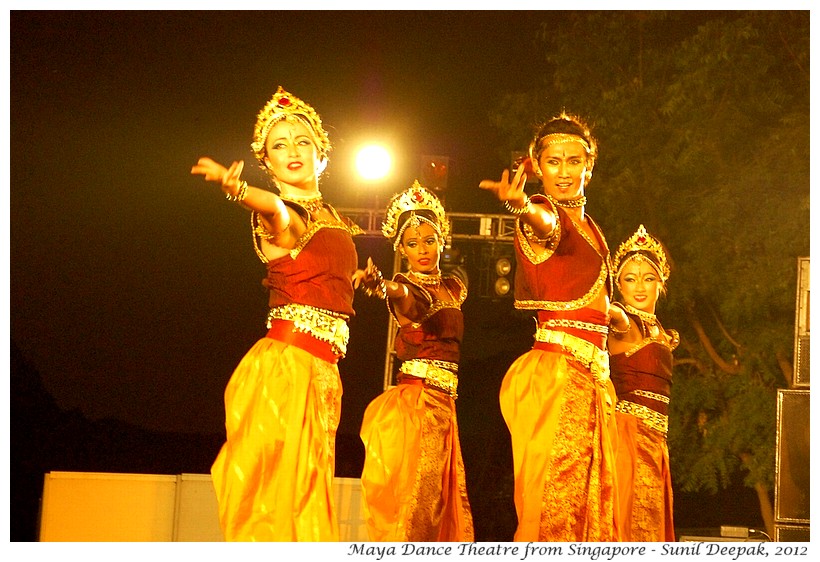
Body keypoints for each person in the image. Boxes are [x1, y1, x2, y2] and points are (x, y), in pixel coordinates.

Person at [190, 86, 364, 541]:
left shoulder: (334, 218)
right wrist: (241, 191)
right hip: (286, 371)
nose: (292, 151)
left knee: (307, 501)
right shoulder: (284, 212)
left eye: (302, 140)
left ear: (322, 154)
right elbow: (277, 215)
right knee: (278, 506)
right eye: (279, 144)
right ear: (265, 162)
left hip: (321, 373)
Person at [478, 112, 620, 542]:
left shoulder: (591, 228)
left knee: (590, 507)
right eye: (553, 161)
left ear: (589, 167)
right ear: (537, 167)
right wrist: (519, 205)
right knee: (557, 502)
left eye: (573, 160)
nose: (563, 171)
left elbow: (597, 305)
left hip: (590, 379)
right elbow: (545, 225)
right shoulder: (543, 212)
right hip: (559, 375)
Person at [355, 181, 474, 541]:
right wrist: (382, 284)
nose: (422, 249)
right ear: (401, 249)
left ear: (441, 241)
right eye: (411, 243)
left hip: (445, 405)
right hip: (418, 406)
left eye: (429, 240)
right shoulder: (404, 286)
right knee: (416, 506)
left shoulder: (454, 287)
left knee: (441, 506)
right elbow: (408, 297)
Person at [607, 225, 678, 542]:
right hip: (627, 439)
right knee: (627, 527)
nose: (639, 287)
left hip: (655, 441)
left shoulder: (660, 331)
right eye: (630, 278)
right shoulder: (623, 319)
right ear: (618, 285)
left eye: (648, 278)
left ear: (660, 284)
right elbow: (607, 314)